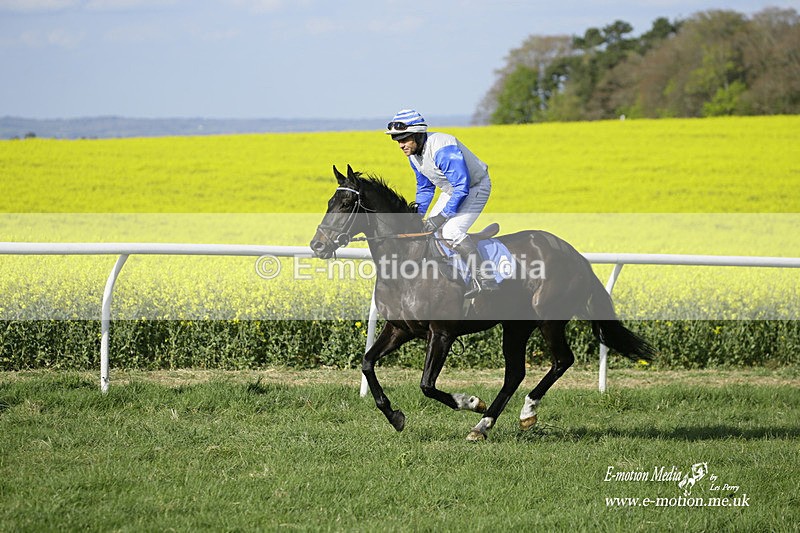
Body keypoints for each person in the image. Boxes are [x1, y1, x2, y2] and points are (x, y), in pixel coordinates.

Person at [385, 109, 498, 298]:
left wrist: (443, 216)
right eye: (397, 140)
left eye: (404, 139)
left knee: (451, 231)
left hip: (475, 187)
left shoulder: (443, 149)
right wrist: (417, 217)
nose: (401, 145)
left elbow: (462, 187)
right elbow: (425, 189)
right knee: (426, 230)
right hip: (452, 190)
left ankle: (485, 278)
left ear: (418, 135)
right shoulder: (414, 156)